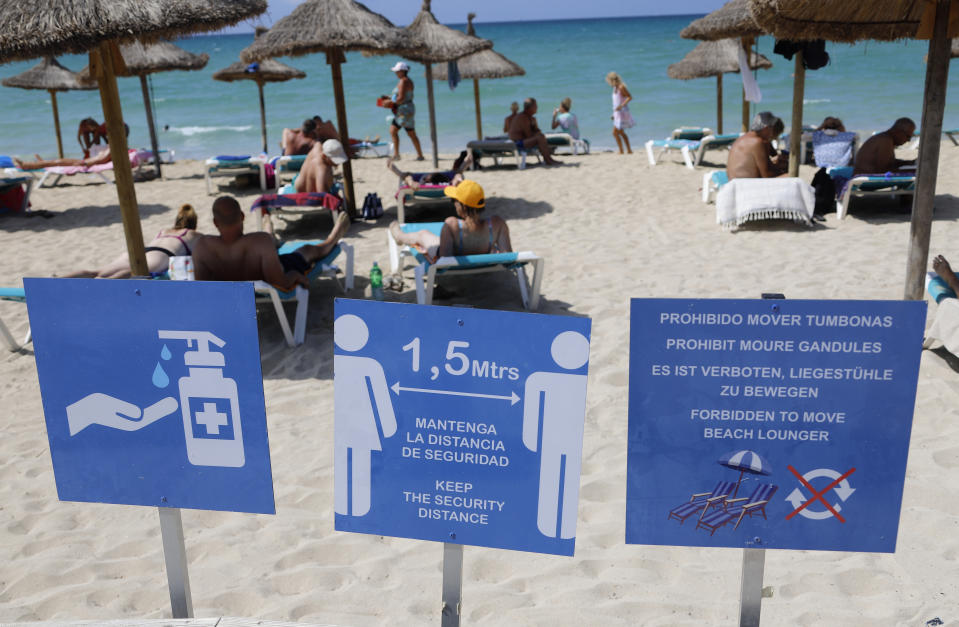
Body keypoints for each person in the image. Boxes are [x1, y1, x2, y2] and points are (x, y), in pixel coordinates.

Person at [193, 196, 350, 291]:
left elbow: (202, 289)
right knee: (307, 250)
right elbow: (279, 282)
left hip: (236, 284)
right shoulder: (260, 241)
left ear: (215, 222)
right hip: (273, 269)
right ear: (242, 216)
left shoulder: (202, 247)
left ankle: (270, 228)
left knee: (269, 242)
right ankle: (333, 238)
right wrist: (295, 276)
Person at [62, 204, 201, 278]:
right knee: (132, 274)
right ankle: (101, 286)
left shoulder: (164, 231)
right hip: (160, 255)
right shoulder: (193, 234)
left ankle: (58, 281)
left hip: (138, 252)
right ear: (194, 222)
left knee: (96, 272)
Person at [388, 180, 511, 262]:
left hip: (453, 258)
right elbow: (508, 257)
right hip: (481, 254)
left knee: (423, 234)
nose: (454, 205)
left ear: (462, 205)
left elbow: (444, 262)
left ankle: (399, 236)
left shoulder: (452, 224)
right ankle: (400, 236)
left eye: (454, 201)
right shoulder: (497, 224)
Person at [727, 111, 789, 180]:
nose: (771, 134)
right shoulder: (757, 142)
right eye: (771, 128)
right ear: (766, 128)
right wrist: (784, 172)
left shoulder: (743, 138)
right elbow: (766, 175)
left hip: (735, 182)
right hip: (744, 185)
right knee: (790, 176)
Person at [385, 62, 425, 161]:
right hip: (407, 109)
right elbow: (401, 96)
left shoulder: (403, 81)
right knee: (410, 132)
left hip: (404, 110)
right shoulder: (408, 81)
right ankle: (419, 155)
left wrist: (389, 102)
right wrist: (390, 98)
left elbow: (401, 98)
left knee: (394, 131)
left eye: (397, 71)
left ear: (402, 71)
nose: (396, 73)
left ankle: (397, 155)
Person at [508, 98, 561, 166]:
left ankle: (549, 159)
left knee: (540, 136)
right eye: (535, 106)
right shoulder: (523, 117)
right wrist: (536, 131)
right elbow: (529, 135)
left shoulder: (528, 117)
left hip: (522, 141)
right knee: (540, 138)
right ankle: (548, 160)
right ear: (530, 107)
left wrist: (535, 126)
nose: (537, 107)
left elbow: (536, 132)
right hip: (517, 143)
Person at [387, 150, 472, 190]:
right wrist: (456, 179)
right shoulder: (448, 183)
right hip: (446, 180)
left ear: (427, 179)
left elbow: (408, 178)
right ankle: (460, 174)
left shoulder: (421, 183)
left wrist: (411, 182)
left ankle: (398, 172)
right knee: (457, 173)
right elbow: (456, 175)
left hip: (416, 183)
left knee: (407, 176)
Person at [606, 72, 634, 154]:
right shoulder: (614, 89)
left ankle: (623, 150)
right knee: (620, 132)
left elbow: (630, 97)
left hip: (622, 112)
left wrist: (621, 106)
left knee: (615, 132)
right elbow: (615, 103)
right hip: (617, 113)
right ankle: (628, 150)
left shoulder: (621, 87)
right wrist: (613, 114)